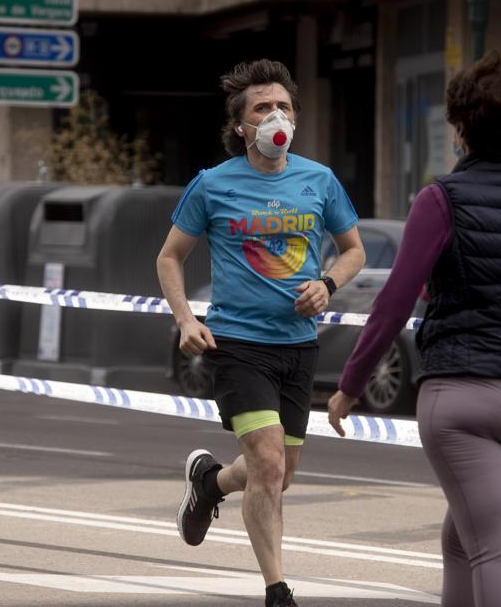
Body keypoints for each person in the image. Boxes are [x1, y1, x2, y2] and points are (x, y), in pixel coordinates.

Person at [327, 51, 501, 607]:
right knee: (464, 536)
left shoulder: (440, 200)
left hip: (460, 398)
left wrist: (350, 385)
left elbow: (394, 304)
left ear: (460, 129)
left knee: (493, 549)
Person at [157, 59, 366, 607]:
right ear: (241, 127)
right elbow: (170, 257)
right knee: (269, 464)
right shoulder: (212, 184)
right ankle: (277, 589)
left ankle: (211, 482)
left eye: (285, 107)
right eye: (262, 108)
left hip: (298, 345)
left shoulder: (318, 180)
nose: (277, 116)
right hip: (239, 345)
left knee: (278, 474)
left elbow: (354, 251)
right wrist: (186, 319)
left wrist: (328, 284)